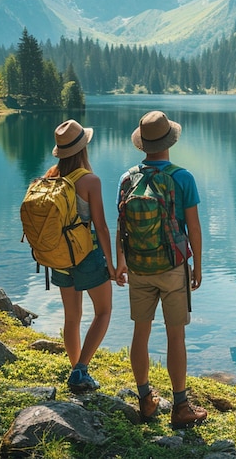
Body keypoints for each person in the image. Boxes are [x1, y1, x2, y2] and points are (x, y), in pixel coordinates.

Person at [115, 110, 207, 429]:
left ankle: (145, 400)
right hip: (173, 265)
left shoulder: (127, 178)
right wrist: (196, 263)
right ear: (170, 141)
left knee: (141, 332)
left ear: (143, 145)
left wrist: (121, 262)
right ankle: (180, 407)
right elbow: (193, 227)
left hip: (139, 266)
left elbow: (121, 224)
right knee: (175, 335)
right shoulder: (182, 177)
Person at [46, 119, 124, 393]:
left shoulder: (51, 174)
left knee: (72, 317)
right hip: (86, 256)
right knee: (103, 312)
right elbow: (101, 226)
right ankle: (81, 370)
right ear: (83, 149)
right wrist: (112, 264)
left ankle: (75, 369)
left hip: (58, 256)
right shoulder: (90, 180)